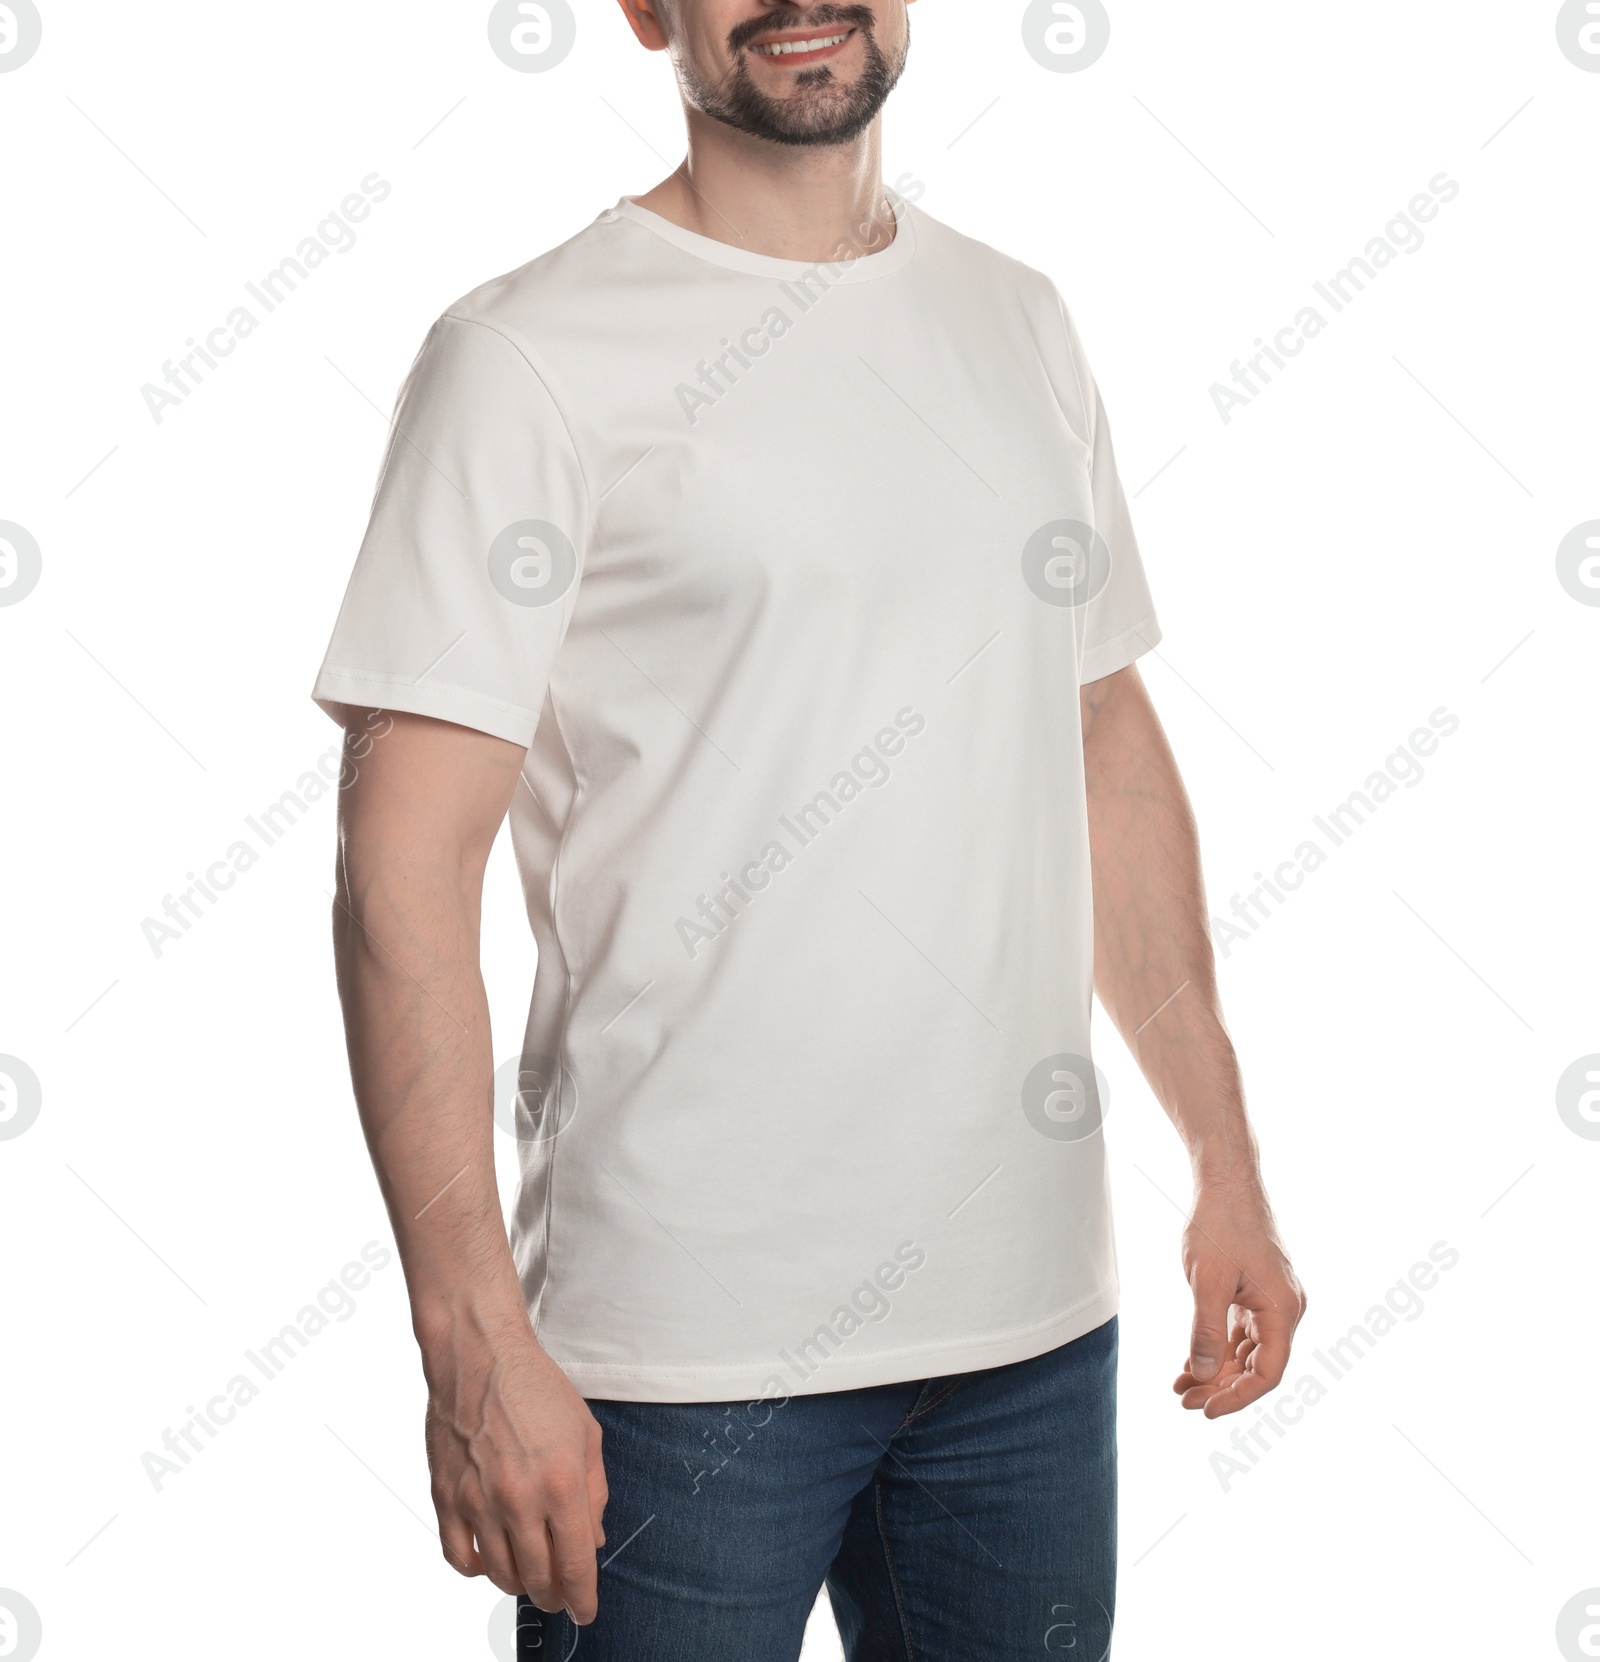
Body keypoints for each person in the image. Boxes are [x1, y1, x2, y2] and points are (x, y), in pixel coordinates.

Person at [312, 2, 1306, 1655]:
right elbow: (399, 871)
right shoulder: (529, 356)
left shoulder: (1021, 322)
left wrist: (1228, 1162)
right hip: (682, 1365)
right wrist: (472, 1336)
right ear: (644, 9)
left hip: (1032, 1337)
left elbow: (1098, 738)